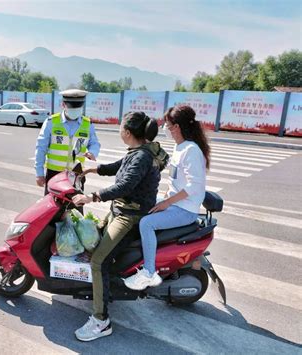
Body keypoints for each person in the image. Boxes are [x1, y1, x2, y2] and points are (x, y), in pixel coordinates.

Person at [71, 111, 168, 341]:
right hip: (122, 210)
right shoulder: (141, 151)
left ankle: (101, 320)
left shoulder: (142, 157)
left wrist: (91, 197)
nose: (119, 131)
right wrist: (94, 169)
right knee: (96, 245)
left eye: (121, 127)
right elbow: (120, 166)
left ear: (127, 132)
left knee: (98, 261)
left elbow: (124, 185)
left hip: (130, 216)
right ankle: (107, 290)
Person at [124, 105, 210, 291]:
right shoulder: (180, 147)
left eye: (168, 125)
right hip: (176, 203)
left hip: (185, 209)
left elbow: (194, 185)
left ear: (177, 127)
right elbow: (176, 180)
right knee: (139, 209)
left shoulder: (191, 150)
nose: (165, 128)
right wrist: (163, 197)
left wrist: (167, 203)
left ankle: (148, 272)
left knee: (147, 224)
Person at [34, 89, 101, 195]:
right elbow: (41, 148)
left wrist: (92, 152)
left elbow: (94, 143)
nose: (75, 109)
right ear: (63, 105)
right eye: (71, 106)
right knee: (53, 209)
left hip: (76, 174)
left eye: (78, 107)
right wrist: (39, 173)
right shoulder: (51, 122)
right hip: (54, 174)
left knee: (75, 209)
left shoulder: (88, 124)